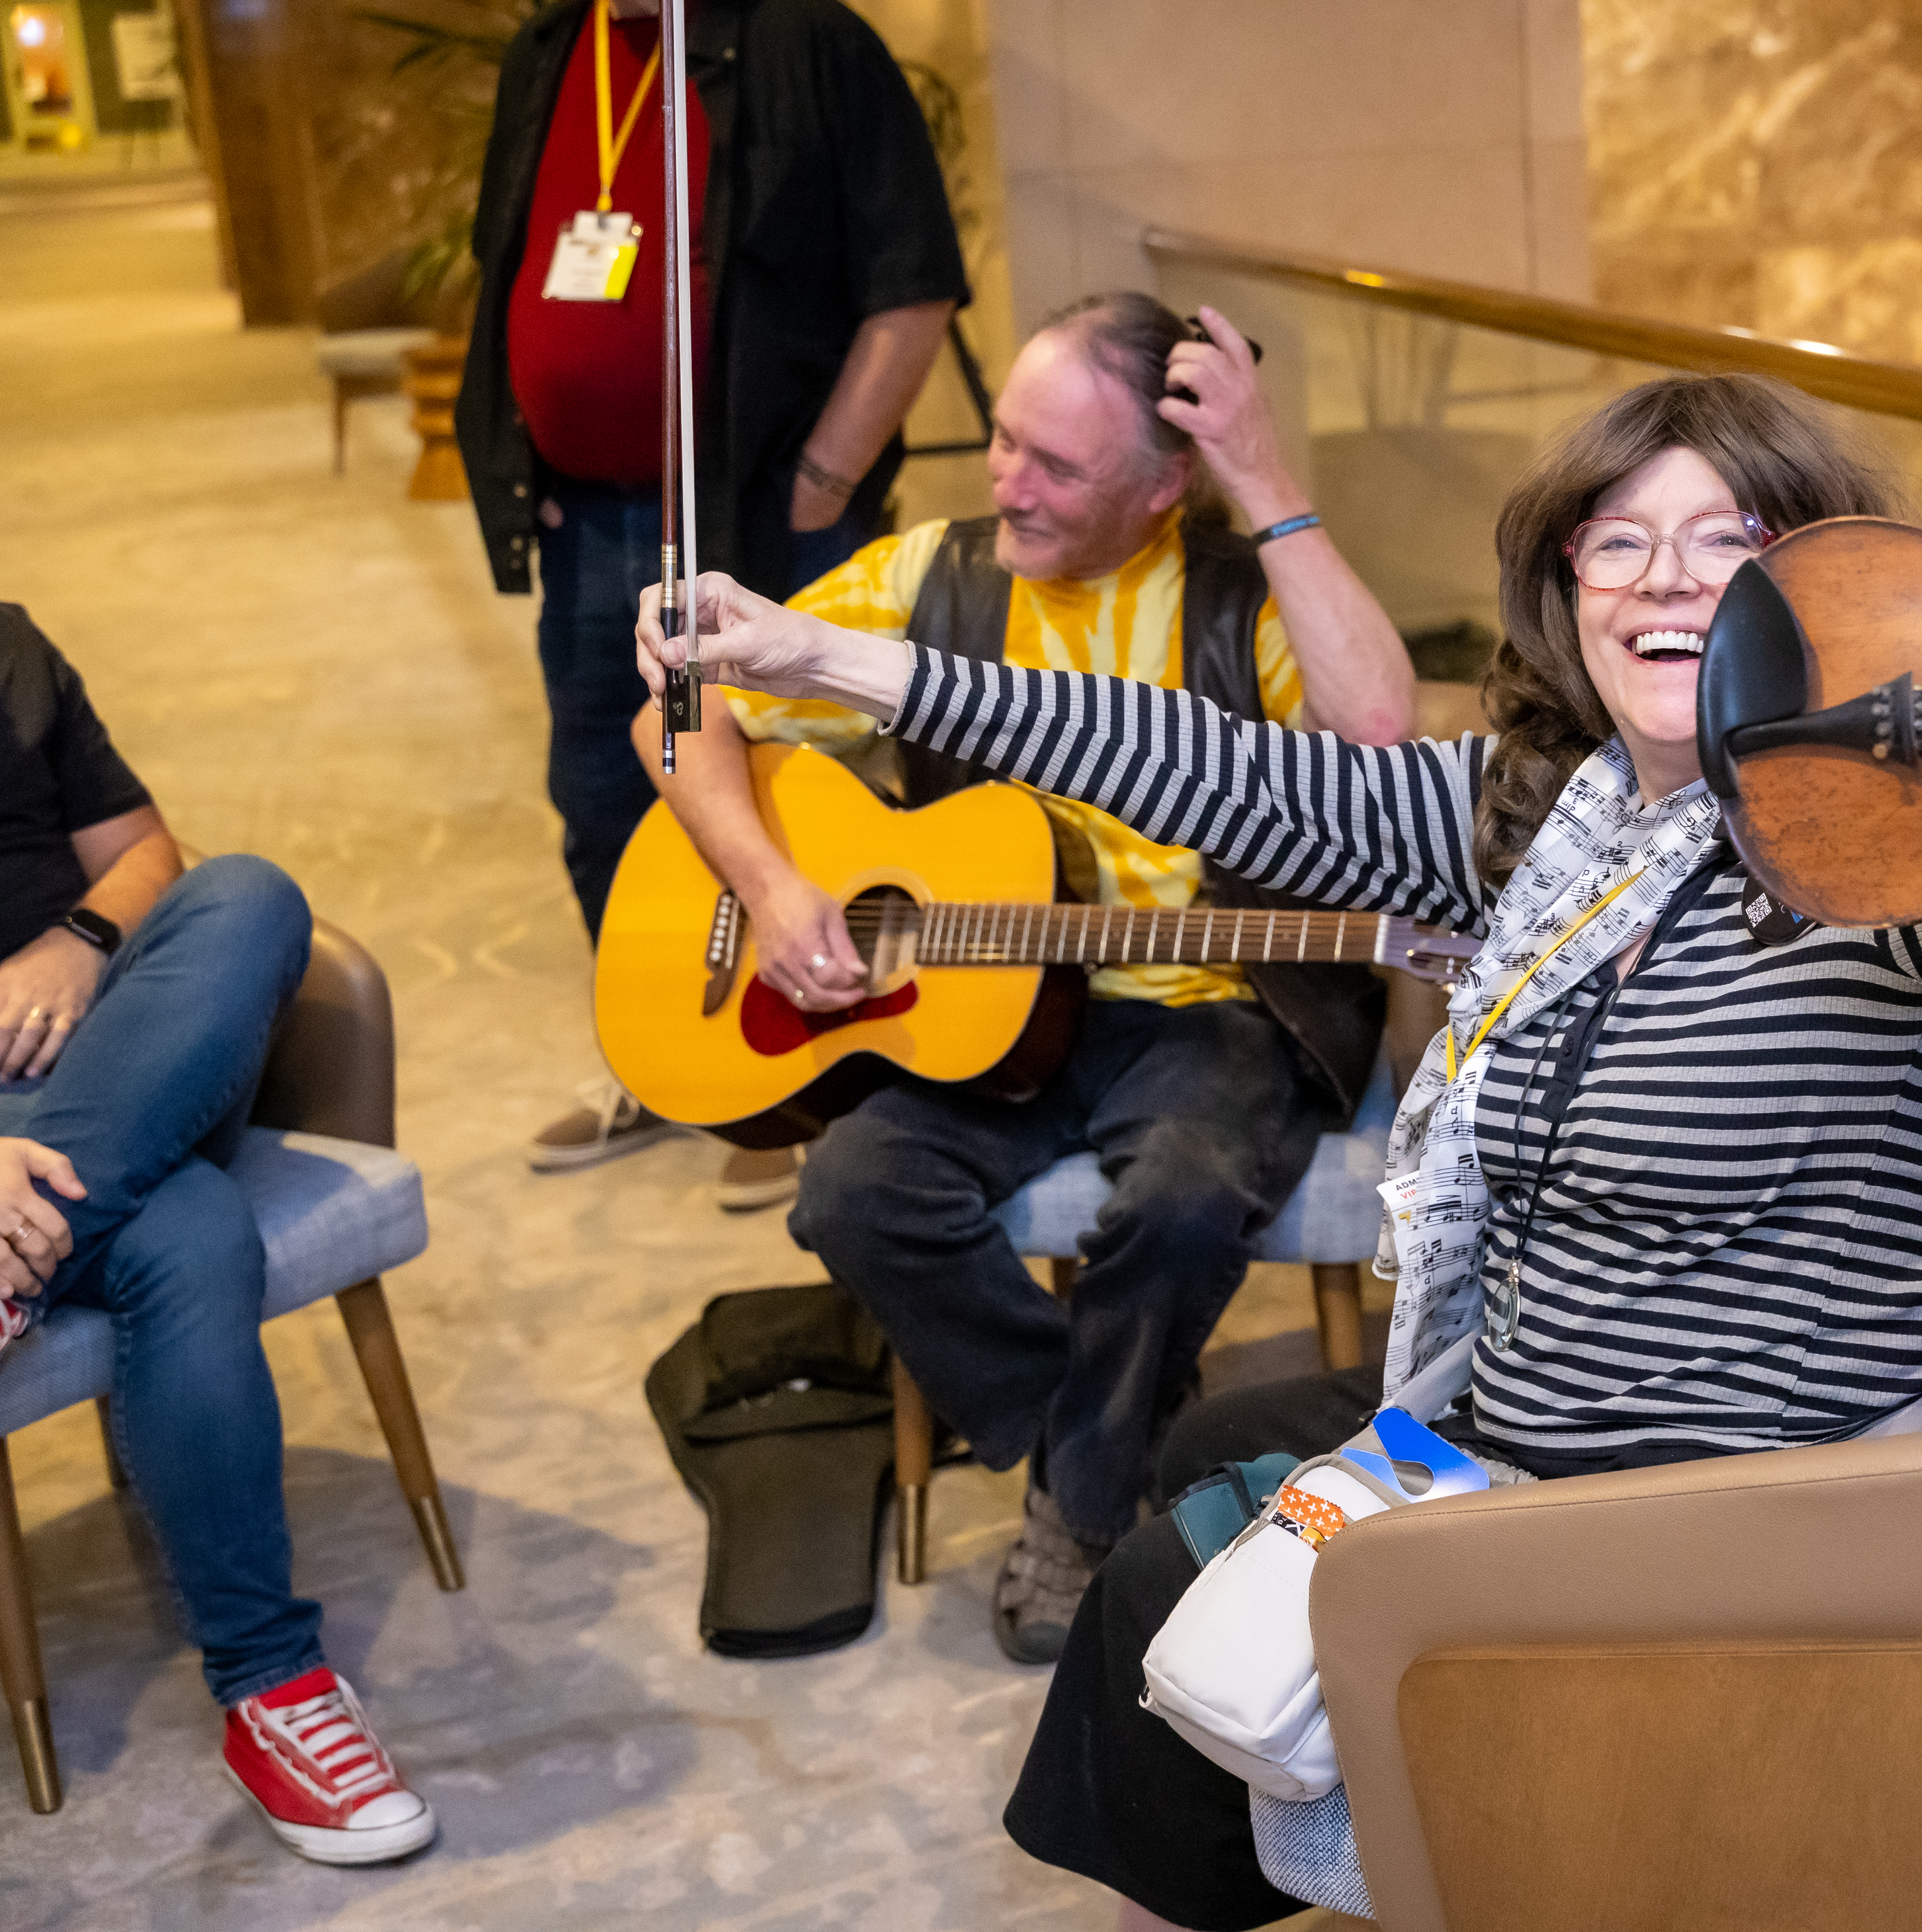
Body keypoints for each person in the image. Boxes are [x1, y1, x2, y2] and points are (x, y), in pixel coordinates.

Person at [639, 371, 1922, 1931]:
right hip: (1572, 1432)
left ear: (1825, 589)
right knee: (1212, 1476)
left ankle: (1508, 1845)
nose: (1662, 584)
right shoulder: (1555, 821)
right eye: (1613, 542)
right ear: (1565, 588)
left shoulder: (1895, 854)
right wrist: (819, 652)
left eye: (1724, 542)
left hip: (1728, 1523)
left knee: (1175, 1575)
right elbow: (1213, 761)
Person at [628, 290, 1416, 1662]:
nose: (1008, 480)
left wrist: (1268, 478)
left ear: (1167, 482)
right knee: (850, 1193)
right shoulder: (931, 575)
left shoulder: (1238, 590)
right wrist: (770, 882)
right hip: (979, 1013)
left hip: (1212, 1006)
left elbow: (1384, 733)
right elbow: (678, 714)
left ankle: (1079, 1504)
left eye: (1056, 466)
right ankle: (1106, 1461)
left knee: (1179, 1200)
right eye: (1002, 441)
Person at [456, 0, 970, 1188]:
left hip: (760, 518)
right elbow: (509, 269)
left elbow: (913, 290)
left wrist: (823, 480)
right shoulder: (552, 52)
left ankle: (797, 1087)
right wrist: (524, 443)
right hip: (587, 516)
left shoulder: (813, 43)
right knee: (600, 788)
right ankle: (660, 1055)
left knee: (797, 795)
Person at [0, 607, 435, 1866]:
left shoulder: (11, 649)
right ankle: (274, 1692)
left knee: (249, 891)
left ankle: (24, 1252)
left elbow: (145, 857)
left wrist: (78, 947)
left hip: (135, 1053)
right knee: (190, 1229)